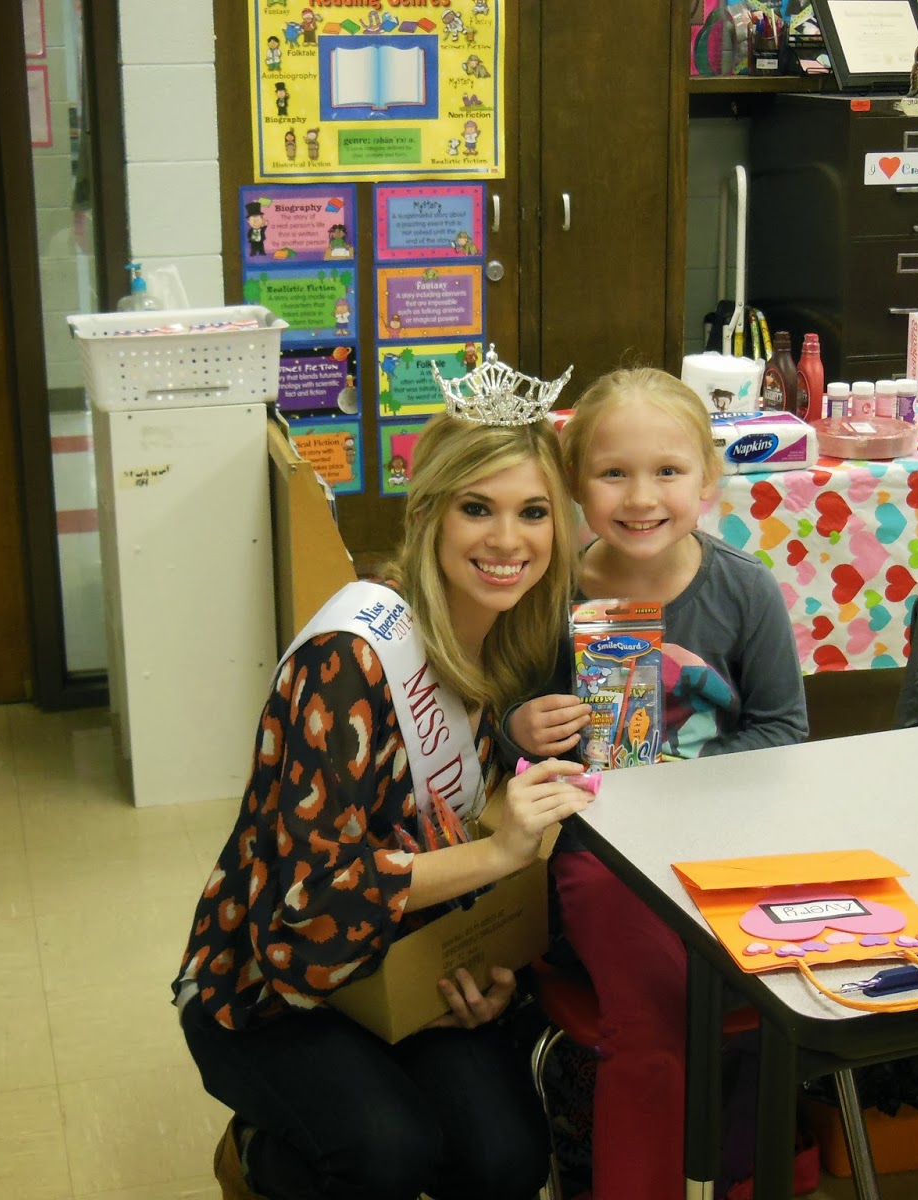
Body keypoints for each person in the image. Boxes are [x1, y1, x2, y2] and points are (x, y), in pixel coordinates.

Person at [173, 407, 596, 1200]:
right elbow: (315, 899)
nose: (508, 540)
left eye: (534, 512)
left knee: (506, 1159)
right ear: (429, 512)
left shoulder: (513, 639)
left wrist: (490, 970)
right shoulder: (351, 658)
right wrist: (498, 852)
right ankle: (262, 1157)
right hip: (277, 979)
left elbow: (456, 828)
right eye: (478, 508)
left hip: (409, 964)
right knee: (387, 1154)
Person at [504, 367, 809, 1199]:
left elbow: (786, 732)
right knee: (657, 1010)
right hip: (599, 857)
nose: (641, 497)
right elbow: (505, 728)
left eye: (668, 471)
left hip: (725, 846)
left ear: (708, 478)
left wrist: (688, 769)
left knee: (774, 991)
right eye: (614, 473)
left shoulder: (743, 590)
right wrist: (521, 729)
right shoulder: (549, 595)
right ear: (575, 484)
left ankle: (749, 1165)